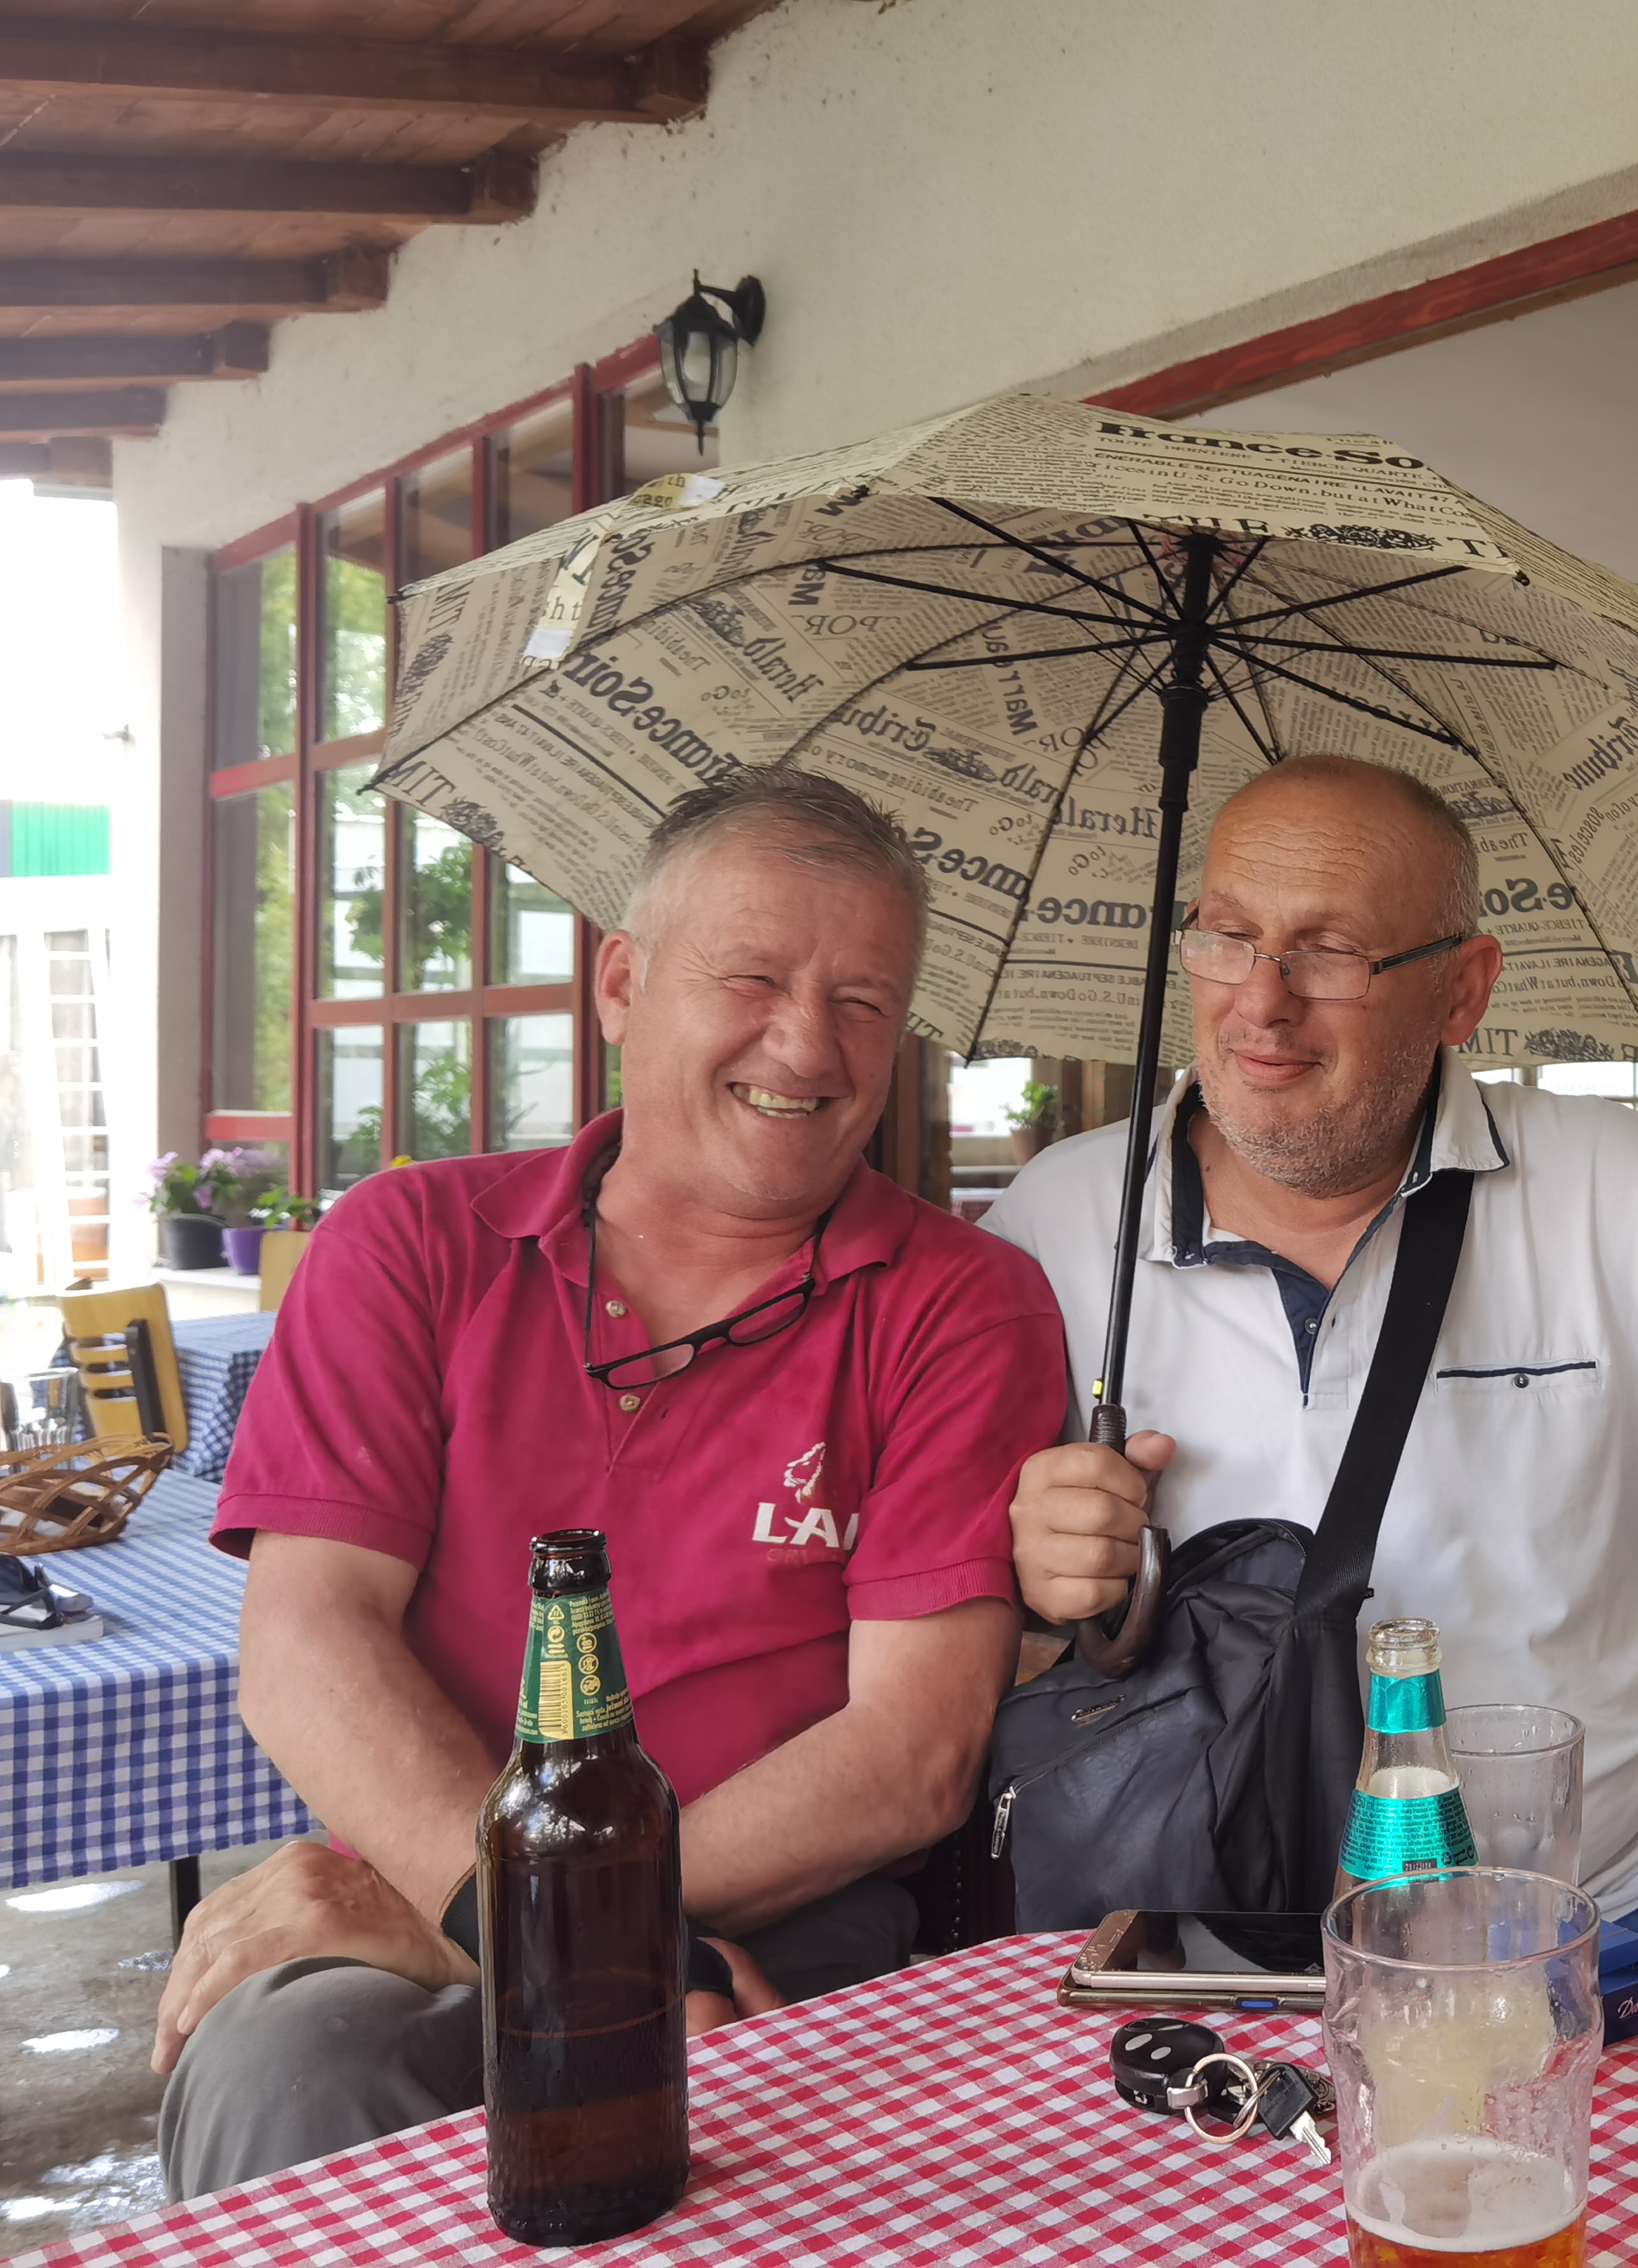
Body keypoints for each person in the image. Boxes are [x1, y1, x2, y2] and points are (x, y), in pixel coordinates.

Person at [993, 753, 1638, 2023]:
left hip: (1617, 1914)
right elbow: (957, 1648)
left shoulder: (1621, 1196)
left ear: (1463, 989)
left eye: (1331, 952)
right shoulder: (1058, 1219)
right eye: (1228, 936)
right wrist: (1040, 1589)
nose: (1262, 1001)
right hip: (1192, 1927)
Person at [154, 770, 1067, 2196]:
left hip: (778, 1911)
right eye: (753, 978)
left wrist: (543, 1923)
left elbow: (912, 1754)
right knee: (294, 2068)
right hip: (419, 1866)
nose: (808, 1044)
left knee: (757, 2116)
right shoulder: (412, 1243)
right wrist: (511, 1915)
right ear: (624, 985)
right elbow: (308, 1638)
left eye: (864, 1002)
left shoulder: (960, 1300)